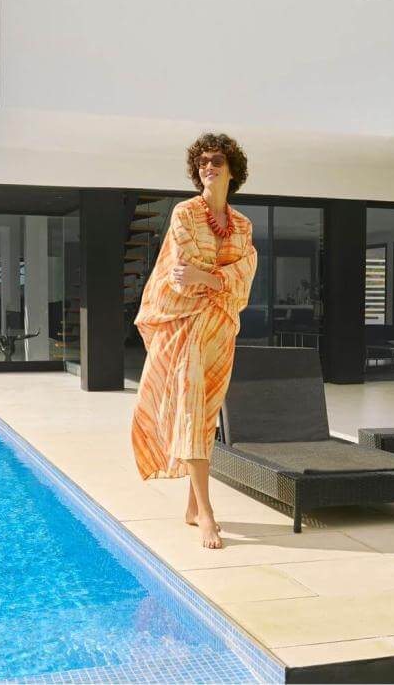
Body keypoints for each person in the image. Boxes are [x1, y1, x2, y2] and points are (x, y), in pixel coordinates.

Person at [131, 133, 258, 549]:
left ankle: (190, 506)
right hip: (185, 326)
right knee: (189, 410)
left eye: (216, 160)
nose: (208, 167)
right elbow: (181, 275)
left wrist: (208, 277)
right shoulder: (184, 214)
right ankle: (206, 512)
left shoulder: (243, 225)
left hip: (220, 330)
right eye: (201, 162)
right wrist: (217, 279)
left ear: (232, 169)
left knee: (205, 416)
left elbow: (244, 279)